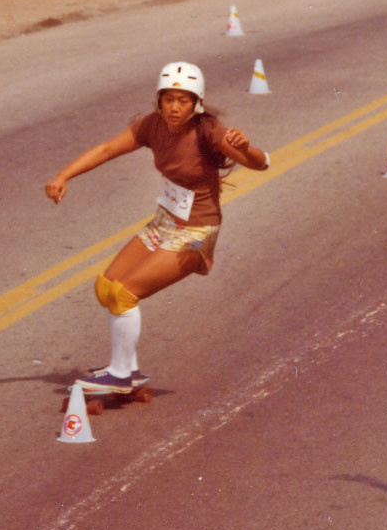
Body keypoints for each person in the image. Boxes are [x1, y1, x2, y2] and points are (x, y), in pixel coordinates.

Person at [45, 61, 270, 393]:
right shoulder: (152, 126)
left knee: (125, 293)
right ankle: (127, 368)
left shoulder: (210, 132)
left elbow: (262, 163)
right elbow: (107, 149)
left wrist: (245, 147)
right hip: (165, 222)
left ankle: (119, 376)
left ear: (197, 103)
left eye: (183, 100)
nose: (175, 108)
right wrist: (63, 176)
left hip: (196, 234)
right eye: (169, 99)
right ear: (159, 100)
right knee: (108, 287)